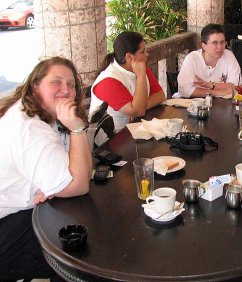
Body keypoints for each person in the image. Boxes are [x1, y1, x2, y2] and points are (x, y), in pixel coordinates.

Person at [0, 57, 92, 281]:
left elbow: (82, 172)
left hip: (23, 211)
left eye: (71, 85)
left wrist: (59, 183)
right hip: (6, 229)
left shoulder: (50, 117)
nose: (66, 90)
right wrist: (78, 129)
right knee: (77, 249)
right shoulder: (29, 126)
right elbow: (78, 184)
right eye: (56, 82)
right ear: (35, 86)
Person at [89, 31, 166, 133]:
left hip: (135, 130)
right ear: (129, 57)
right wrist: (141, 76)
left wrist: (140, 107)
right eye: (142, 51)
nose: (147, 54)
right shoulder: (108, 81)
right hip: (111, 139)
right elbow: (138, 111)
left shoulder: (140, 67)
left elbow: (160, 95)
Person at [177, 23, 242, 98]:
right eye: (215, 43)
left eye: (222, 42)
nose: (220, 47)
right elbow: (185, 90)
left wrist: (212, 85)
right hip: (192, 106)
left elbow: (236, 87)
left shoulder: (228, 55)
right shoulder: (192, 59)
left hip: (222, 106)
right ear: (204, 46)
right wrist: (219, 92)